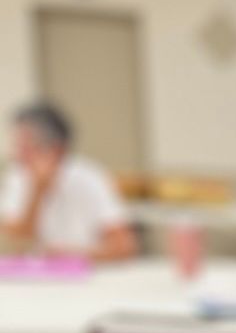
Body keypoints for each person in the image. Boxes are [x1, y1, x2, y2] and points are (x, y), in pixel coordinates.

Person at [0, 101, 137, 261]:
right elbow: (16, 243)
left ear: (57, 149)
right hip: (32, 280)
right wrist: (38, 192)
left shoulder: (90, 177)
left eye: (25, 147)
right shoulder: (17, 177)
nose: (16, 155)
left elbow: (124, 247)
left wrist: (72, 256)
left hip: (87, 276)